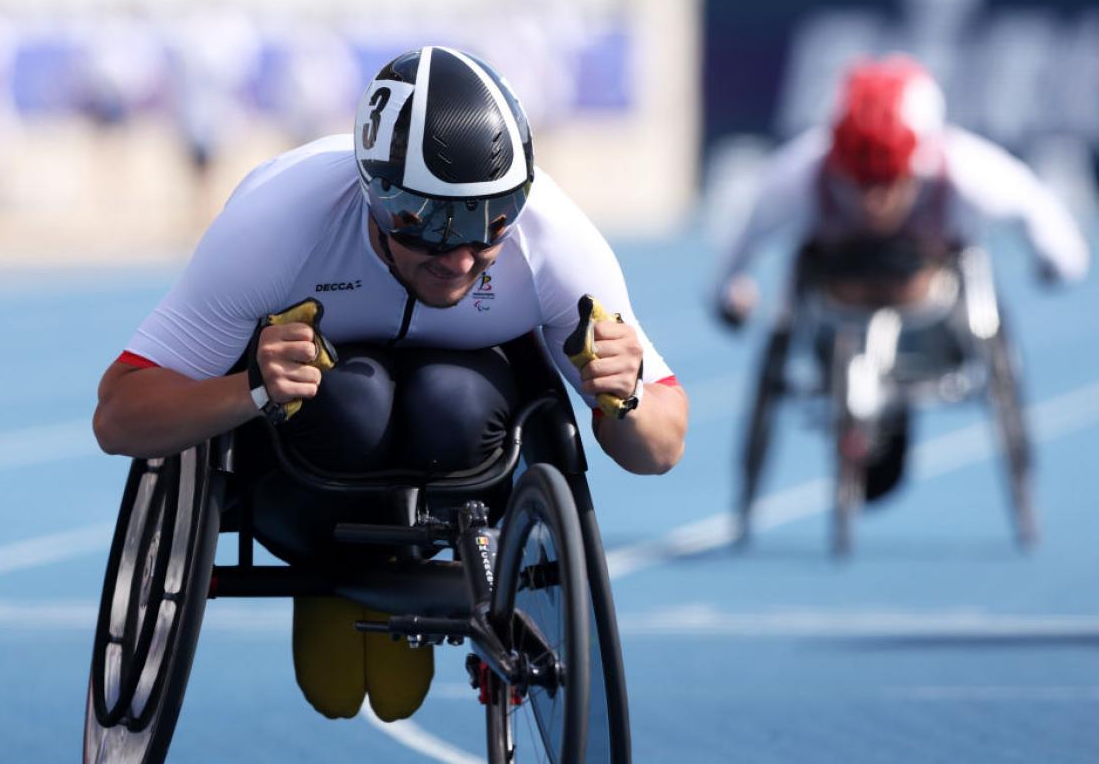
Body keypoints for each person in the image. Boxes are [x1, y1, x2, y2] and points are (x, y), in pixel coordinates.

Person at [93, 46, 688, 722]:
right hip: (305, 462)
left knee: (450, 401)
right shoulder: (279, 224)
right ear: (378, 197)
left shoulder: (553, 240)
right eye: (433, 226)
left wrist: (629, 399)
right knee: (356, 399)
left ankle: (415, 560)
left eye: (490, 222)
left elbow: (661, 447)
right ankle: (331, 574)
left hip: (460, 452)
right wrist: (252, 388)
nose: (462, 256)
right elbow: (118, 417)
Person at [712, 53, 1089, 503]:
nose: (873, 203)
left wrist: (1057, 262)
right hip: (837, 301)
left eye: (888, 181)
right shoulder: (802, 172)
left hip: (930, 309)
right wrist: (730, 294)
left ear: (917, 158)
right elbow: (739, 244)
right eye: (860, 181)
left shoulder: (961, 167)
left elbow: (1040, 214)